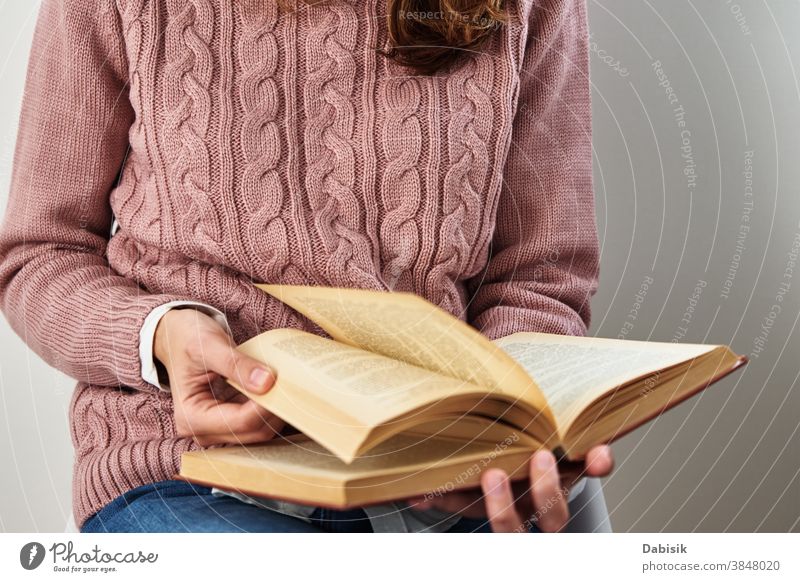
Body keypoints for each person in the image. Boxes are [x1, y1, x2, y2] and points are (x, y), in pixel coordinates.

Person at [0, 0, 613, 533]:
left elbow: (539, 275)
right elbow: (38, 255)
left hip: (435, 480)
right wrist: (161, 334)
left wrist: (496, 433)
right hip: (185, 470)